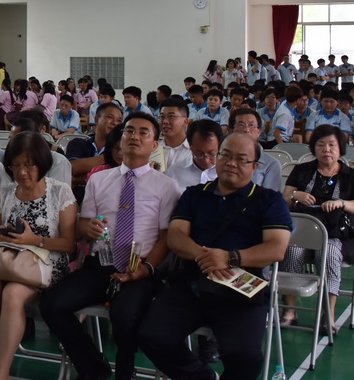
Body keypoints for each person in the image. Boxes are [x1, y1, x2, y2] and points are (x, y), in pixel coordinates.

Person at [138, 133, 292, 380]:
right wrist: (205, 257)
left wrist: (230, 258)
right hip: (191, 285)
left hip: (241, 290)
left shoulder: (269, 200)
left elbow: (276, 248)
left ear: (255, 166)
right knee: (152, 337)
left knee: (244, 356)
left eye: (241, 159)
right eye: (226, 155)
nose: (231, 163)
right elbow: (176, 236)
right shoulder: (194, 195)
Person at [42, 113, 180, 380]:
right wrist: (89, 228)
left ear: (154, 145)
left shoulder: (166, 186)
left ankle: (125, 372)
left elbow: (166, 237)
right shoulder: (99, 180)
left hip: (140, 268)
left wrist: (147, 269)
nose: (134, 136)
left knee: (124, 315)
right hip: (101, 265)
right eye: (129, 131)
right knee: (52, 305)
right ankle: (93, 366)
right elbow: (83, 224)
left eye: (143, 132)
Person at [0, 131, 77, 380]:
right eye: (16, 165)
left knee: (13, 293)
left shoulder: (60, 192)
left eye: (29, 165)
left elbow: (69, 245)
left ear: (42, 163)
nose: (22, 172)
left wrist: (35, 241)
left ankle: (0, 373)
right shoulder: (4, 193)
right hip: (9, 263)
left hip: (47, 265)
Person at [280, 124, 354, 330]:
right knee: (292, 251)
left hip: (335, 236)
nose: (326, 149)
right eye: (321, 145)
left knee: (329, 253)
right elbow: (284, 201)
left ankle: (328, 314)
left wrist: (342, 203)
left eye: (332, 145)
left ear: (340, 149)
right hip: (301, 235)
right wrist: (295, 195)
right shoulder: (301, 171)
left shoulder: (351, 176)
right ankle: (289, 310)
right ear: (314, 148)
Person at [66, 101, 124, 199]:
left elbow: (115, 178)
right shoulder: (78, 143)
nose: (115, 123)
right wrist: (109, 157)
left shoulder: (122, 150)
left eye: (119, 120)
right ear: (96, 119)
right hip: (74, 200)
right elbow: (73, 168)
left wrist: (77, 179)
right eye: (110, 117)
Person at [230, 108, 283, 191]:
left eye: (251, 125)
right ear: (232, 131)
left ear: (259, 131)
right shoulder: (223, 159)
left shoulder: (271, 164)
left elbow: (269, 196)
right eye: (241, 125)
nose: (246, 130)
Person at [166, 119, 222, 191]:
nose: (206, 160)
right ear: (190, 146)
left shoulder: (227, 173)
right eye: (199, 154)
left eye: (212, 153)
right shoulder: (174, 173)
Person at [158, 97, 192, 169]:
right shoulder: (153, 148)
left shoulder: (194, 150)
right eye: (162, 116)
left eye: (171, 116)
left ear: (185, 121)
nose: (165, 121)